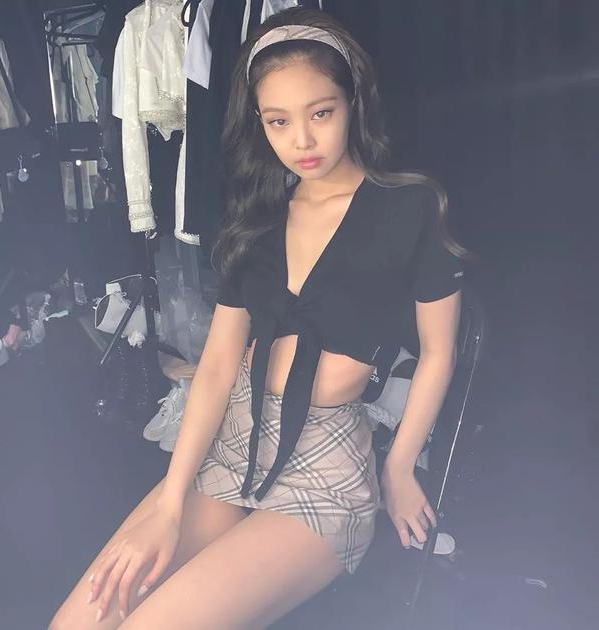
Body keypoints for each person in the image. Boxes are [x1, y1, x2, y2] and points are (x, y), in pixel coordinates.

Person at [49, 7, 468, 629]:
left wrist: (399, 465)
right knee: (79, 623)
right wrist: (170, 503)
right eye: (278, 121)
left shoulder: (409, 206)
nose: (302, 141)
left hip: (324, 470)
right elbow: (219, 365)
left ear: (353, 103)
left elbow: (438, 351)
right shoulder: (259, 216)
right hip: (234, 443)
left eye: (320, 113)